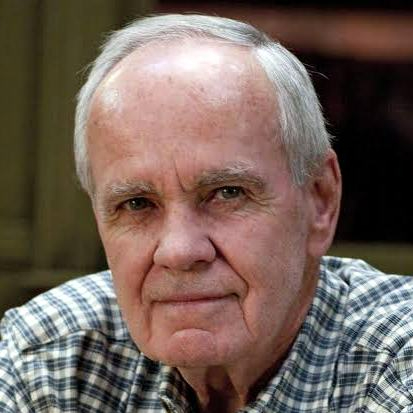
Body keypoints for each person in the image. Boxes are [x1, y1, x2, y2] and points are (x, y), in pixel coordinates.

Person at [1, 14, 413, 413]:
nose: (179, 251)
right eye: (137, 204)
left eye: (227, 193)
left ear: (320, 201)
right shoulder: (52, 356)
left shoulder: (397, 362)